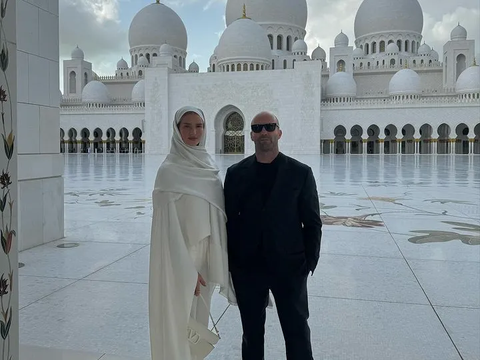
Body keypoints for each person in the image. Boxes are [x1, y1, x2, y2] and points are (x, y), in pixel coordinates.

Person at [224, 111, 322, 360]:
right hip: (248, 268)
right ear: (251, 135)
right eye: (258, 128)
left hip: (289, 267)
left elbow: (312, 222)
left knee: (297, 331)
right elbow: (229, 221)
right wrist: (232, 263)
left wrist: (308, 263)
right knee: (252, 334)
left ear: (279, 132)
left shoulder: (301, 172)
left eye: (269, 127)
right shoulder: (236, 173)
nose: (263, 132)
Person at [149, 106, 235, 360]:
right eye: (186, 126)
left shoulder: (207, 165)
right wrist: (187, 269)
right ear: (177, 130)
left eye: (198, 126)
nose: (193, 132)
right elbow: (167, 231)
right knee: (177, 320)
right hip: (179, 263)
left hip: (205, 260)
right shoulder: (168, 172)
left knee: (197, 326)